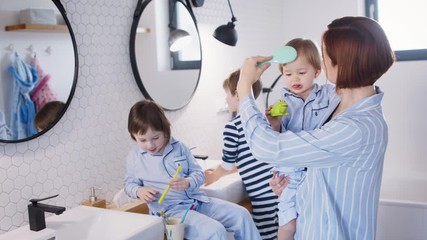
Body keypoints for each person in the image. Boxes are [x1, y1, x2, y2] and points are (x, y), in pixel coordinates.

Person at [236, 16, 394, 239]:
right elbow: (323, 169)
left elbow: (267, 147)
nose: (323, 60)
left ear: (342, 63)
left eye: (325, 53)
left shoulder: (356, 128)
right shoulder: (335, 105)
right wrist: (294, 186)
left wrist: (244, 87)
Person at [124, 99, 261, 240]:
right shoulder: (135, 158)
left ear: (164, 130)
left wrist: (188, 182)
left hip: (198, 201)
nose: (150, 144)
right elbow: (129, 184)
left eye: (155, 137)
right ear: (133, 136)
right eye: (142, 140)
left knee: (242, 215)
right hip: (170, 212)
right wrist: (138, 191)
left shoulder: (179, 148)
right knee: (216, 231)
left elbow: (198, 174)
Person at [265, 38, 337, 240]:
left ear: (317, 71)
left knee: (312, 221)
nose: (294, 78)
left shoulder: (327, 95)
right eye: (287, 74)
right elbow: (274, 135)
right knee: (288, 222)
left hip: (315, 170)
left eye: (301, 73)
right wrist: (273, 121)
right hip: (290, 172)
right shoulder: (282, 102)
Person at [204, 69, 278, 240]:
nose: (225, 99)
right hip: (278, 187)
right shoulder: (262, 119)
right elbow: (251, 158)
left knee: (265, 235)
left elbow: (227, 165)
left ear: (238, 94)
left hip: (262, 195)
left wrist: (212, 177)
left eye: (227, 94)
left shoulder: (233, 127)